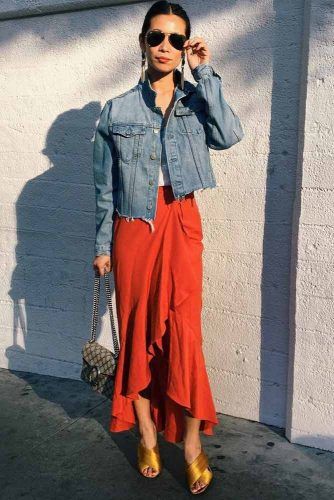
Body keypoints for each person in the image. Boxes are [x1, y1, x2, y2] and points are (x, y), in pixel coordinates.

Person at [92, 0, 244, 494]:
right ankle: (148, 435)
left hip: (180, 219)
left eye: (176, 40)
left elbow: (229, 134)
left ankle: (194, 444)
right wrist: (103, 245)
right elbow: (104, 189)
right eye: (157, 37)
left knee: (185, 331)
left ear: (185, 46)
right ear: (143, 41)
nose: (165, 47)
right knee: (136, 328)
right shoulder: (115, 110)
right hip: (134, 227)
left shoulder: (197, 100)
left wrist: (207, 72)